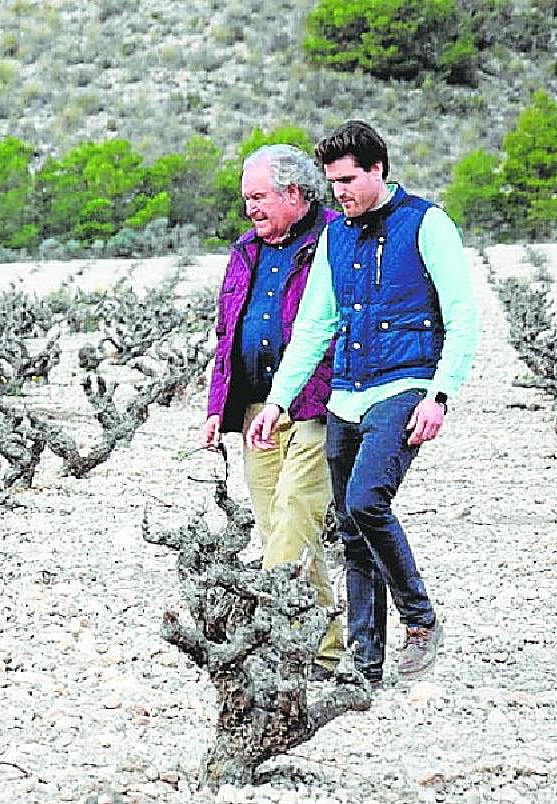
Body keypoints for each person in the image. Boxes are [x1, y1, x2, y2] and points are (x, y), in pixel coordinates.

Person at [246, 120, 480, 685]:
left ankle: (420, 619)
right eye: (332, 183)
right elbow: (316, 325)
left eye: (349, 180)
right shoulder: (335, 236)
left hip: (404, 386)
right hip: (345, 393)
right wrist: (278, 402)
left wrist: (440, 394)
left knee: (368, 499)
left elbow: (464, 315)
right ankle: (366, 661)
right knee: (350, 526)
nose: (341, 192)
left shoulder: (427, 224)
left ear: (378, 170)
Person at [202, 143, 344, 676]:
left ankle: (271, 635)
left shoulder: (338, 239)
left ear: (295, 193)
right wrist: (219, 406)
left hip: (315, 404)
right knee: (276, 527)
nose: (250, 210)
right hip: (256, 407)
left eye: (259, 198)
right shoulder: (246, 250)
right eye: (246, 200)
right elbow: (228, 332)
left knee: (294, 516)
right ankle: (325, 651)